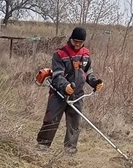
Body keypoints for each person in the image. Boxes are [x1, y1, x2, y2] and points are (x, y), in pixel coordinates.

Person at [36, 26, 103, 154]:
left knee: (74, 123)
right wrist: (65, 86)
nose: (77, 44)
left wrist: (95, 83)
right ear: (70, 39)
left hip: (77, 94)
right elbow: (57, 75)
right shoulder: (60, 54)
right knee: (51, 119)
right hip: (59, 93)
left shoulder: (86, 54)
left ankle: (70, 150)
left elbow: (88, 72)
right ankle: (42, 146)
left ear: (84, 42)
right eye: (75, 41)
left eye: (80, 42)